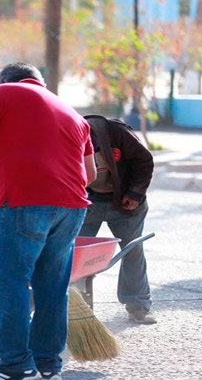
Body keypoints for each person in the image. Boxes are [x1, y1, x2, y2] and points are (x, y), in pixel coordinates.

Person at [0, 62, 96, 380]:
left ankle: (16, 366)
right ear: (39, 83)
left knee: (9, 283)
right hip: (71, 208)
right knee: (52, 287)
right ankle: (48, 366)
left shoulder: (4, 92)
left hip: (22, 203)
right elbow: (89, 175)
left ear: (7, 80)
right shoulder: (72, 112)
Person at [79, 115, 155, 325]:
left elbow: (144, 161)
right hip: (87, 202)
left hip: (124, 200)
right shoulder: (68, 136)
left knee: (132, 250)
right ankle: (76, 309)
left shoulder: (116, 132)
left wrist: (135, 193)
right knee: (75, 256)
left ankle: (138, 304)